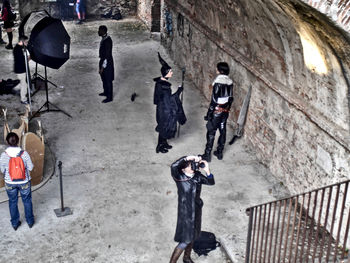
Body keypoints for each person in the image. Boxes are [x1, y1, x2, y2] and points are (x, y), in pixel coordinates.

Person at [169, 155, 215, 263]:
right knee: (185, 240)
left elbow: (211, 182)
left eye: (193, 165)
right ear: (184, 168)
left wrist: (207, 170)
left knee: (194, 235)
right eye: (190, 166)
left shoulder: (197, 176)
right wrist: (187, 157)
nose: (193, 167)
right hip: (186, 212)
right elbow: (173, 166)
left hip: (197, 209)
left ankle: (186, 258)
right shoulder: (179, 177)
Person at [0, 132, 34, 230]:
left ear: (7, 142)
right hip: (24, 181)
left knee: (12, 201)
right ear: (18, 141)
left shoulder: (4, 155)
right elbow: (31, 168)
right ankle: (30, 221)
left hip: (10, 183)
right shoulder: (24, 154)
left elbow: (2, 170)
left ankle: (15, 223)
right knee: (27, 201)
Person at [201, 62, 233, 162]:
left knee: (211, 131)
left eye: (217, 68)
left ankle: (207, 154)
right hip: (225, 110)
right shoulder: (230, 82)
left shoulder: (218, 83)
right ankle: (219, 152)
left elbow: (214, 101)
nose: (216, 69)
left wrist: (209, 114)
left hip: (217, 111)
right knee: (222, 131)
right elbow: (231, 98)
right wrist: (227, 109)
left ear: (220, 71)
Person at [153, 53, 185, 153]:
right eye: (170, 71)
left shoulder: (160, 82)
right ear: (166, 73)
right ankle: (159, 146)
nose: (171, 73)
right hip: (164, 110)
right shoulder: (164, 87)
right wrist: (179, 92)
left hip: (162, 107)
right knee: (164, 127)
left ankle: (164, 143)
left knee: (164, 126)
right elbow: (170, 100)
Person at [98, 25, 114, 103]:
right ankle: (105, 92)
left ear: (103, 31)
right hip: (103, 60)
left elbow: (107, 56)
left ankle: (109, 97)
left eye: (99, 30)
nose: (98, 32)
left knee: (108, 80)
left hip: (107, 62)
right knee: (103, 78)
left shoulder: (107, 41)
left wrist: (102, 68)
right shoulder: (104, 38)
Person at [13, 35, 30, 104]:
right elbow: (23, 61)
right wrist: (29, 58)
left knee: (22, 81)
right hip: (20, 70)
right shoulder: (18, 50)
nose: (27, 43)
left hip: (19, 68)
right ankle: (23, 99)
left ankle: (15, 89)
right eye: (26, 42)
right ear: (22, 41)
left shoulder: (18, 47)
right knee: (24, 85)